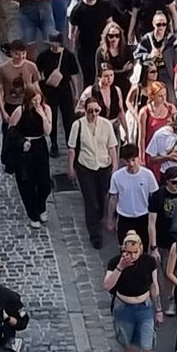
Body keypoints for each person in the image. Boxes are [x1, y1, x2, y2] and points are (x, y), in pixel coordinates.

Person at [104, 234, 166, 352]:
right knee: (126, 341)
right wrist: (120, 268)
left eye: (134, 251)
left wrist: (158, 309)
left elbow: (154, 286)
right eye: (127, 252)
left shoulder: (148, 262)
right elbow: (107, 285)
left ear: (140, 248)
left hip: (144, 307)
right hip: (123, 307)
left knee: (147, 347)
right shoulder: (115, 262)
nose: (131, 255)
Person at [68, 95, 121, 247]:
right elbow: (72, 149)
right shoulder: (78, 125)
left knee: (101, 197)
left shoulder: (106, 125)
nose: (94, 114)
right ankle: (95, 235)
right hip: (86, 167)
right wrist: (70, 168)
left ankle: (99, 219)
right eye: (90, 111)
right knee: (91, 201)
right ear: (85, 110)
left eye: (96, 110)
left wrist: (115, 167)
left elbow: (112, 147)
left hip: (104, 167)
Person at [109, 142, 161, 248]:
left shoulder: (148, 175)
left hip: (142, 217)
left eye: (134, 160)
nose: (131, 164)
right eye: (128, 161)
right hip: (124, 218)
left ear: (138, 158)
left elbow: (154, 197)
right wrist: (110, 218)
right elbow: (113, 199)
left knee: (142, 248)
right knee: (124, 248)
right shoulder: (117, 176)